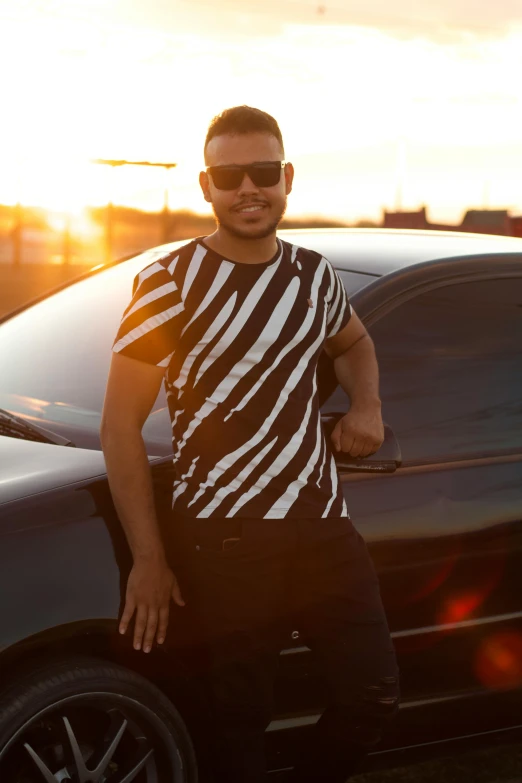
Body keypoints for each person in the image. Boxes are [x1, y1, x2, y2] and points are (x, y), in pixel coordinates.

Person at [101, 105, 400, 783]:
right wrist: (150, 557)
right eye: (229, 175)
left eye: (263, 172)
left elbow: (354, 342)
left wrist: (368, 404)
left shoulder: (314, 277)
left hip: (323, 527)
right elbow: (119, 424)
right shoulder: (168, 283)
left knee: (372, 692)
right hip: (224, 539)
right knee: (236, 724)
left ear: (287, 176)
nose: (248, 189)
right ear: (206, 186)